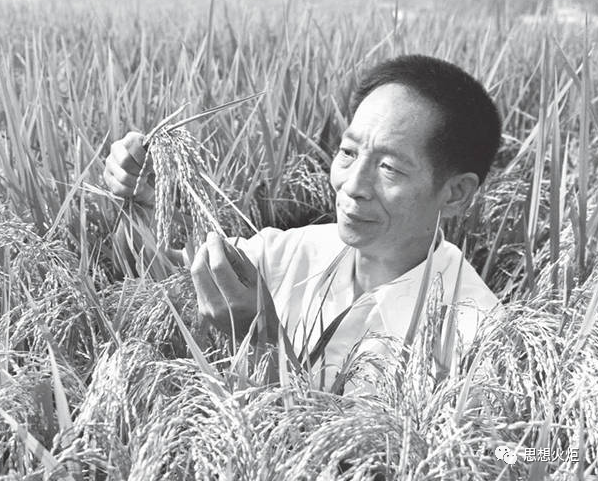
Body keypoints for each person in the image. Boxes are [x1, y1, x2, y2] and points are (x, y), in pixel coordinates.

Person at [103, 55, 503, 390]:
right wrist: (142, 204)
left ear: (456, 193)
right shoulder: (294, 252)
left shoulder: (477, 339)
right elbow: (164, 273)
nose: (352, 185)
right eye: (348, 152)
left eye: (389, 168)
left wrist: (261, 339)